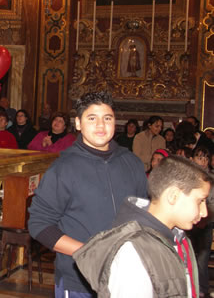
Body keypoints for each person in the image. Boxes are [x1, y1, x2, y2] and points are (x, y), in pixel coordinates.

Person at [28, 91, 148, 297]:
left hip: (125, 278)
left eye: (107, 118)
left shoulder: (132, 163)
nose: (101, 126)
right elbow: (39, 224)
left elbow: (144, 213)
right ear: (78, 124)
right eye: (92, 118)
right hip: (78, 280)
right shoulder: (63, 168)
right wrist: (89, 252)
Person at [74, 155, 213, 298]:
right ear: (173, 196)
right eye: (200, 201)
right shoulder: (133, 252)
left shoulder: (179, 238)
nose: (204, 212)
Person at [188, 146, 213, 297]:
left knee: (203, 260)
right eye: (200, 157)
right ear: (192, 159)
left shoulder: (211, 180)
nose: (203, 161)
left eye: (206, 158)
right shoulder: (187, 179)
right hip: (188, 223)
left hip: (206, 224)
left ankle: (203, 290)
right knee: (188, 258)